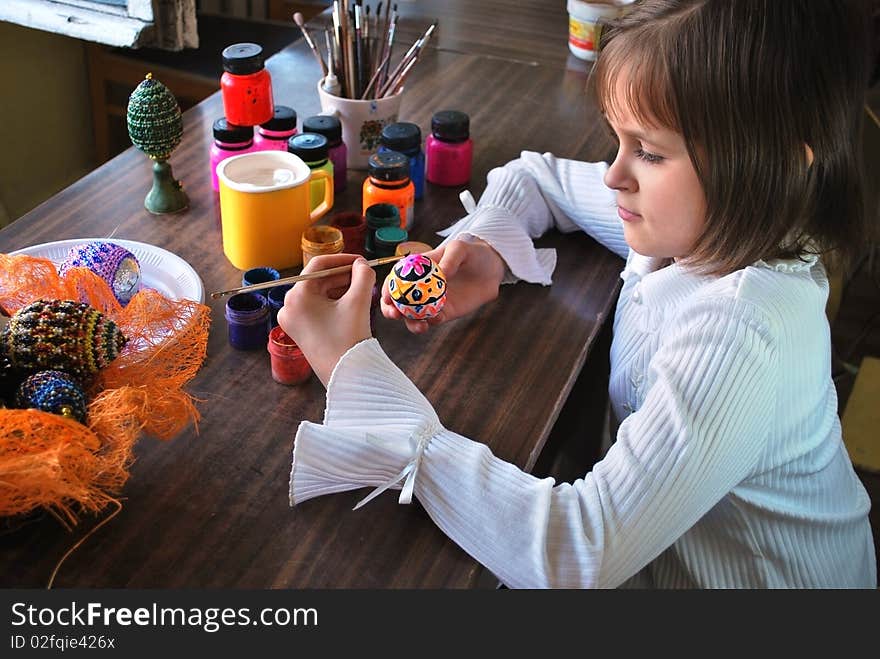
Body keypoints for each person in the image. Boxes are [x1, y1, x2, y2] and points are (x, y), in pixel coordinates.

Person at [277, 0, 877, 588]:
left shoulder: (745, 330)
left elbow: (574, 555)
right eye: (619, 141)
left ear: (773, 168)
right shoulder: (702, 224)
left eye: (649, 151)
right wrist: (488, 249)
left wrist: (353, 371)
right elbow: (536, 177)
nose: (615, 174)